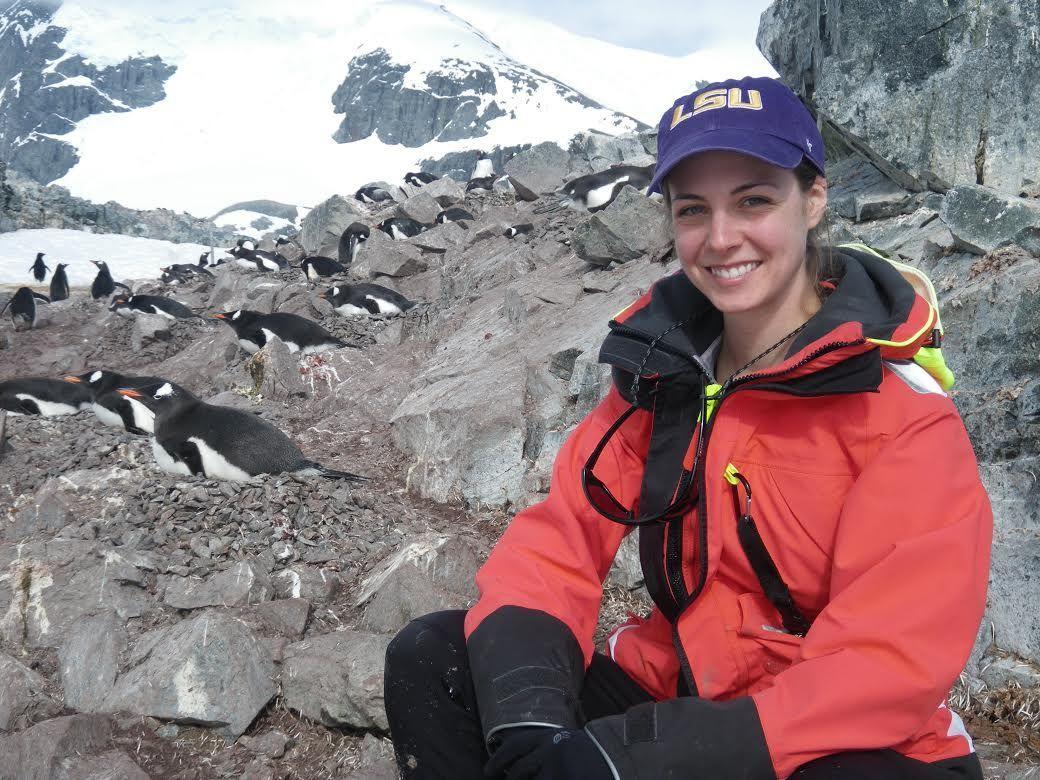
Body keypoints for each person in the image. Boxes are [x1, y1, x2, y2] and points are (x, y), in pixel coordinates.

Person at [383, 76, 993, 780]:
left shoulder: (898, 410)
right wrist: (529, 716)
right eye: (693, 209)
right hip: (677, 684)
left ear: (814, 200)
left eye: (754, 200)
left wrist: (641, 752)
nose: (721, 237)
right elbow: (559, 546)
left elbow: (888, 663)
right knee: (437, 656)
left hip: (846, 735)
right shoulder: (665, 372)